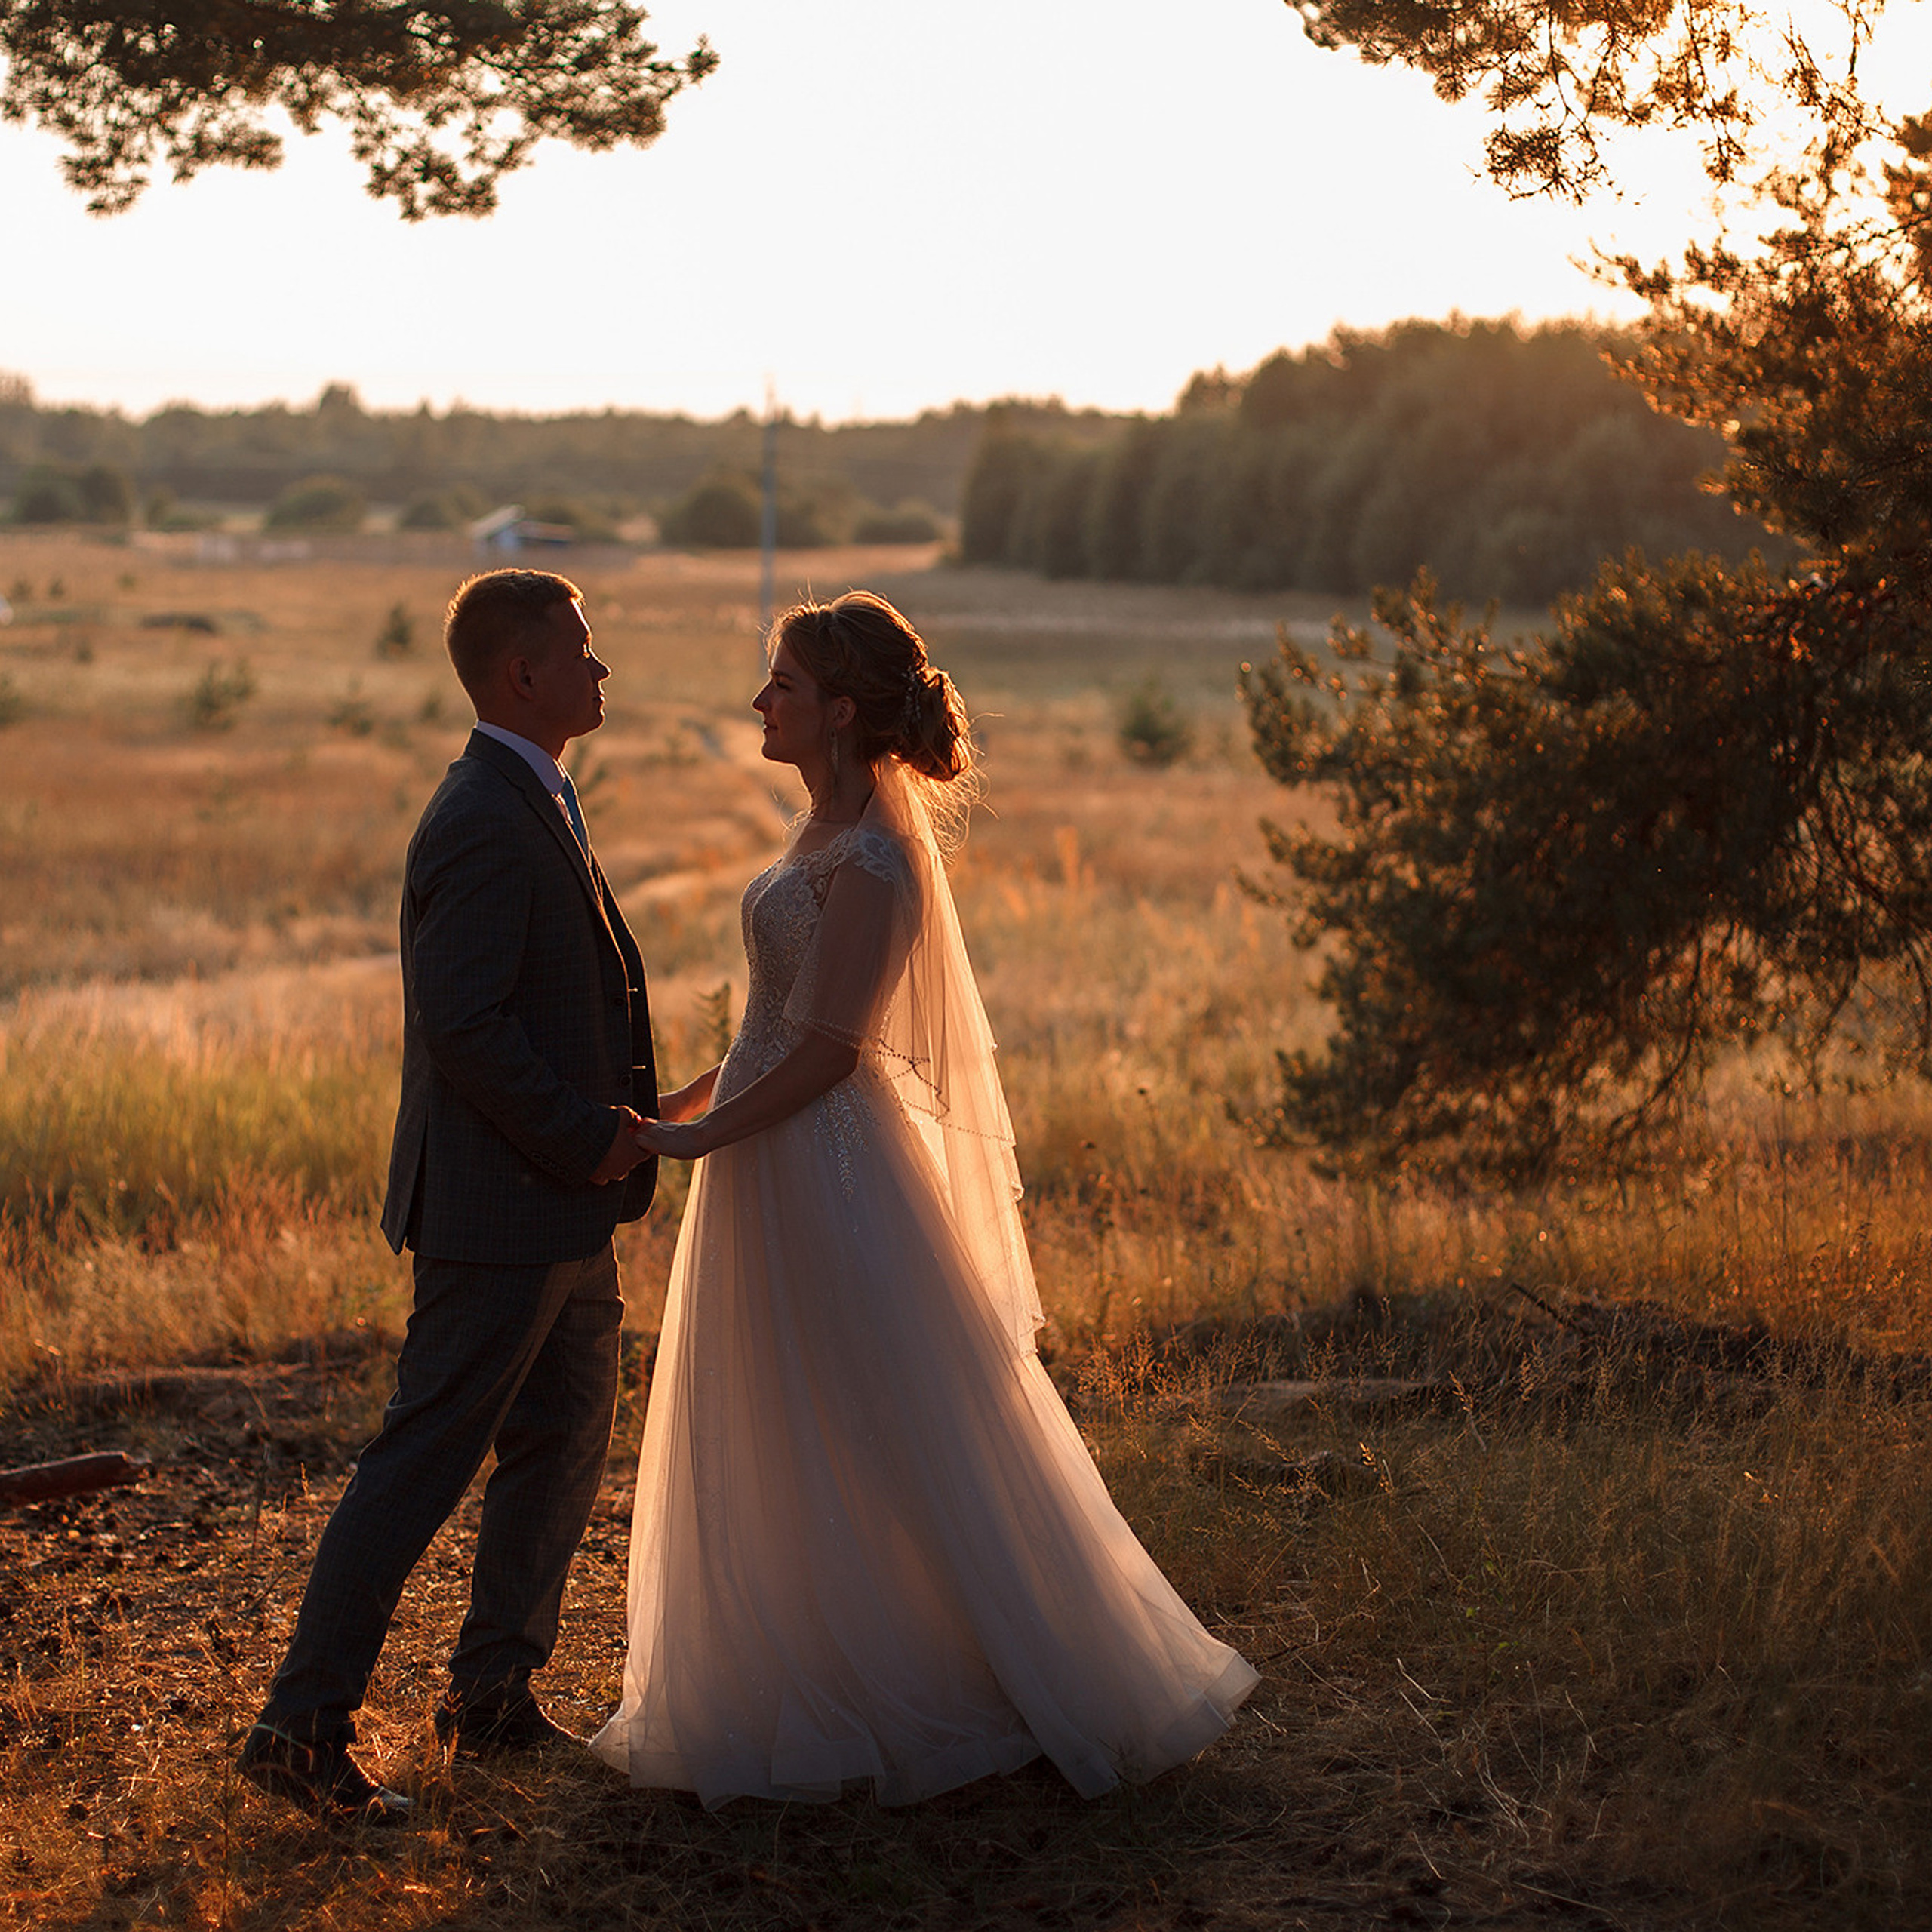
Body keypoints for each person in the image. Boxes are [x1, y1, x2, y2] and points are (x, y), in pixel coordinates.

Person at [593, 591, 1257, 1807]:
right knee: (784, 1407)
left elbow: (832, 1053)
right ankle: (802, 1653)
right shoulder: (816, 837)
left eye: (782, 684)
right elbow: (770, 1034)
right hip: (768, 1146)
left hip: (830, 1165)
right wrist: (683, 1109)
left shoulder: (879, 859)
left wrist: (691, 1148)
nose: (762, 700)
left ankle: (977, 1668)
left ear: (840, 711)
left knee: (887, 1415)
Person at [239, 570, 659, 1824]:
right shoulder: (482, 812)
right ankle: (298, 1729)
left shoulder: (537, 792)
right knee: (423, 1460)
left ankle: (492, 1699)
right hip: (501, 1206)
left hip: (567, 1209)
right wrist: (587, 1137)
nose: (602, 669)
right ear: (520, 675)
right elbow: (466, 1027)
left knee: (563, 1440)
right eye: (582, 651)